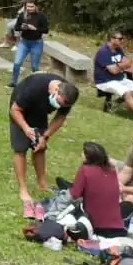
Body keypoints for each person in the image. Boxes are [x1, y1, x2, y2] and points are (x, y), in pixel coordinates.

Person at [8, 72, 79, 216]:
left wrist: (45, 137)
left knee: (39, 147)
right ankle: (23, 189)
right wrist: (26, 129)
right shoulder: (35, 87)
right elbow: (15, 110)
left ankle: (42, 184)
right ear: (55, 90)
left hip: (40, 112)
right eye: (58, 103)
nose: (58, 106)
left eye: (61, 105)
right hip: (20, 109)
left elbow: (60, 117)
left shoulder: (69, 95)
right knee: (20, 148)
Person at [94, 30, 133, 126]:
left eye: (122, 38)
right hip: (105, 81)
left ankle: (114, 103)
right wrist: (122, 65)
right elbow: (113, 71)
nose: (122, 41)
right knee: (127, 93)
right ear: (112, 39)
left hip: (119, 79)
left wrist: (118, 66)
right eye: (120, 39)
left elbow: (128, 63)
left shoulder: (118, 49)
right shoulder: (103, 52)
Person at [68, 142, 128, 238]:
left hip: (94, 226)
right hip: (118, 228)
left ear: (87, 156)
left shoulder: (85, 170)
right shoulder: (112, 171)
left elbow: (74, 194)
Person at [8, 0, 49, 89]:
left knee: (34, 66)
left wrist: (35, 28)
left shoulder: (41, 16)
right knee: (17, 62)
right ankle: (14, 82)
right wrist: (23, 28)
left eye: (32, 6)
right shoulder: (22, 15)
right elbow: (17, 27)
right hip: (24, 42)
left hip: (36, 43)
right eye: (28, 7)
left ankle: (37, 84)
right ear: (25, 7)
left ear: (35, 7)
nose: (30, 8)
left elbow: (46, 30)